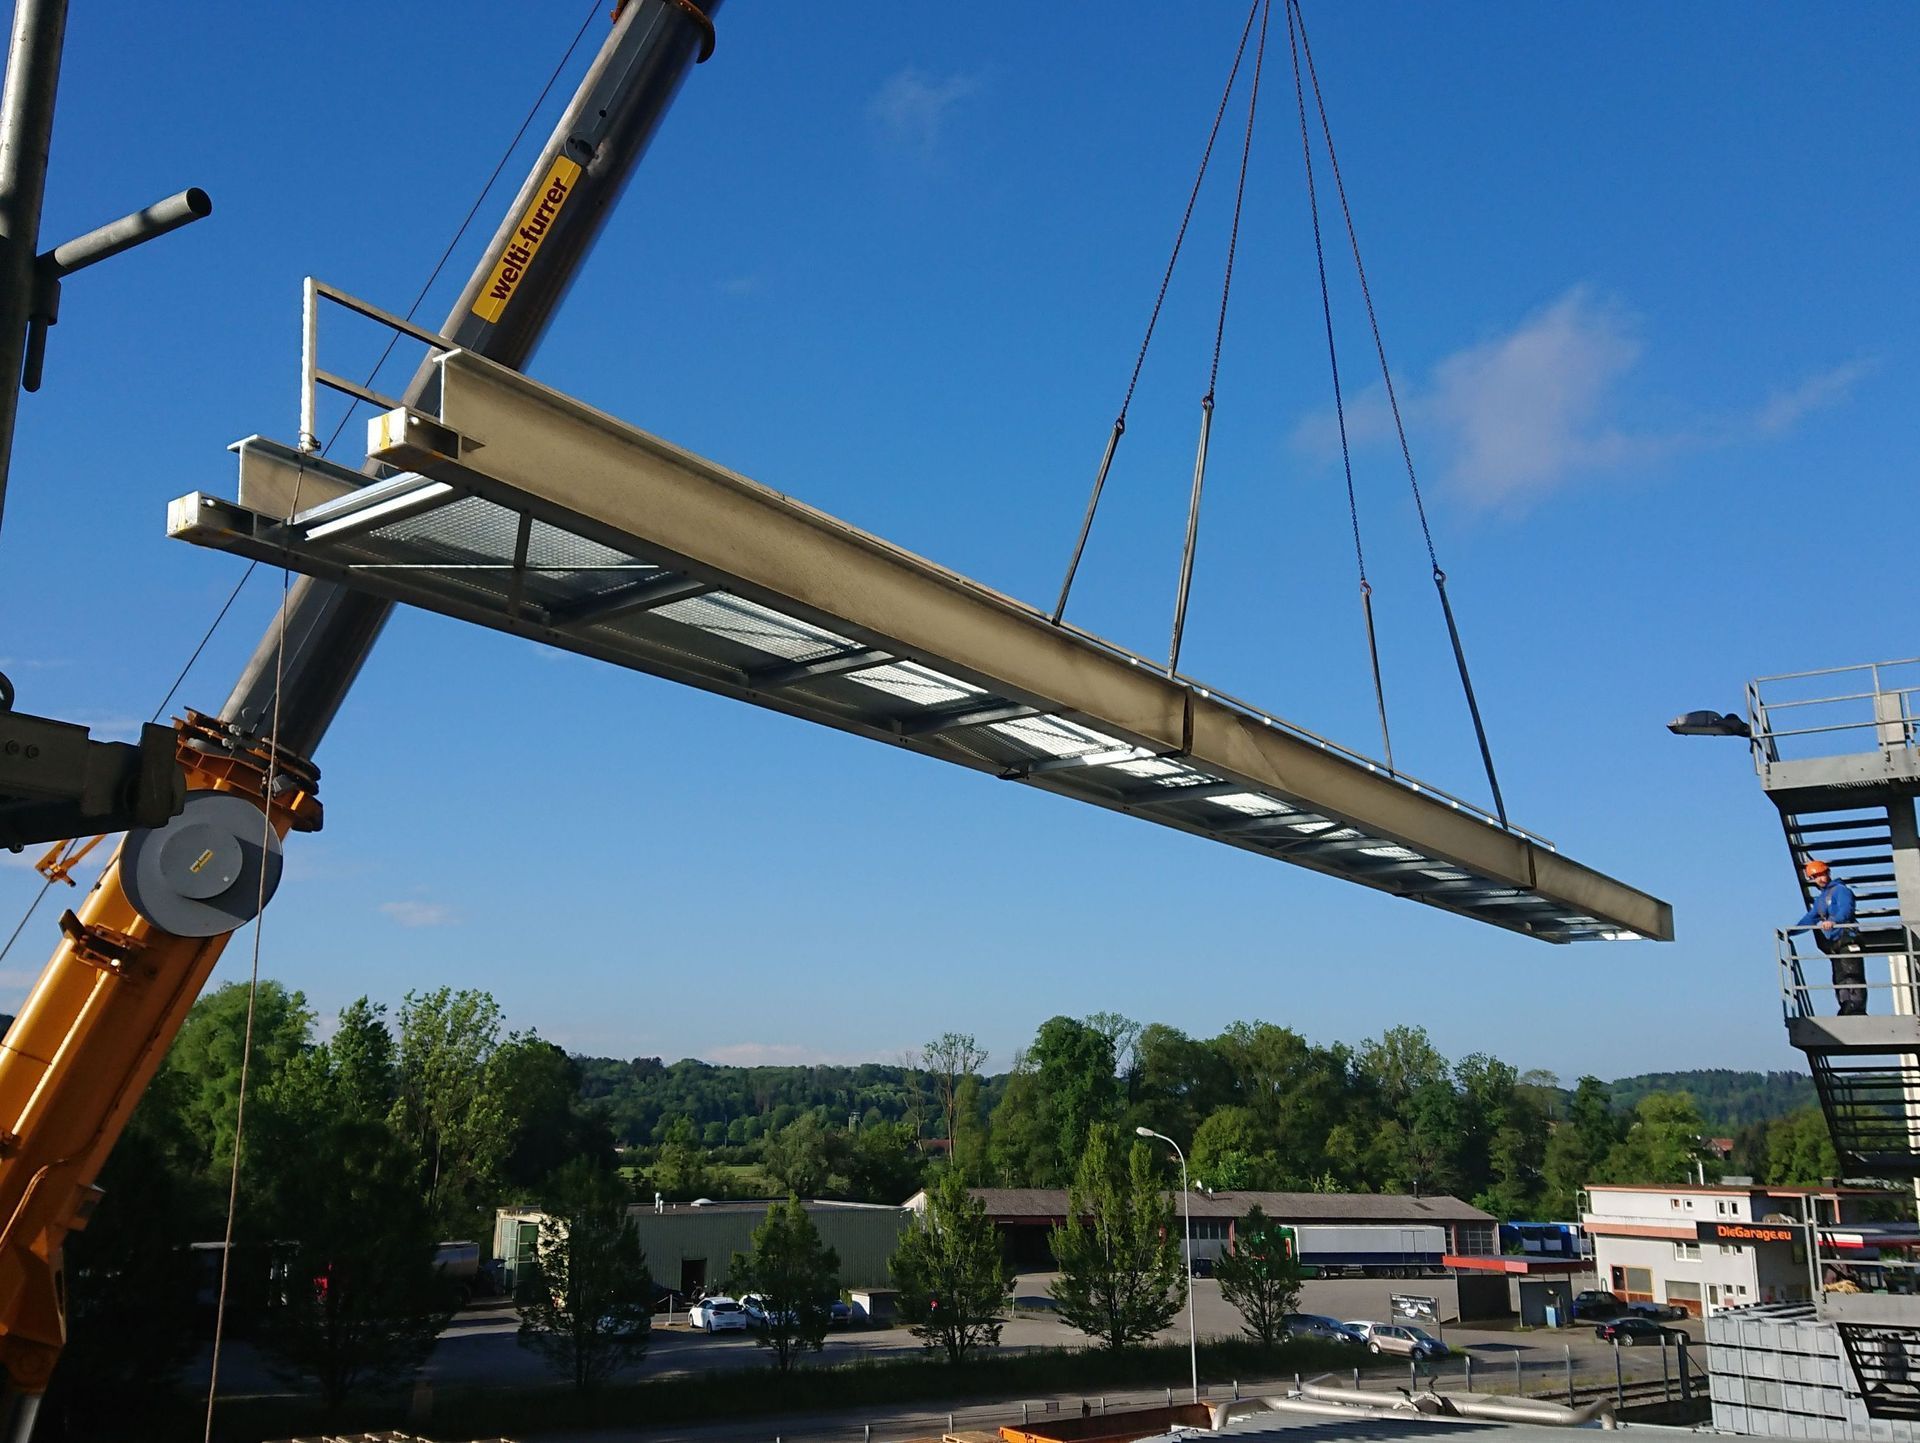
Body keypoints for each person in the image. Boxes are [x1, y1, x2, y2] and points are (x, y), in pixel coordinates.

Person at [1799, 859, 1864, 1016]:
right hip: (1834, 942)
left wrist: (1833, 921)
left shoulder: (1841, 890)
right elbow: (1811, 917)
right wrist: (1793, 931)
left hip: (1848, 937)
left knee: (1851, 974)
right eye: (1816, 877)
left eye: (1822, 874)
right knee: (1840, 976)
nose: (1820, 879)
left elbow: (1846, 910)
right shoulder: (1821, 899)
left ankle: (1855, 1008)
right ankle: (1845, 1006)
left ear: (1828, 873)